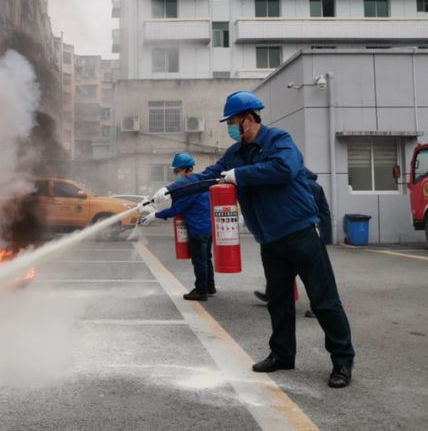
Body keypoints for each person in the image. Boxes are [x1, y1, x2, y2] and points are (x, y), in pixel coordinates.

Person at [149, 91, 355, 388]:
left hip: (300, 233)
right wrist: (170, 191)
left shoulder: (278, 140)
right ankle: (282, 354)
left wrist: (239, 176)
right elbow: (206, 177)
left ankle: (342, 361)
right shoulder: (235, 154)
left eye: (232, 120)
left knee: (324, 301)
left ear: (249, 118)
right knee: (279, 301)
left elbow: (284, 170)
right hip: (270, 240)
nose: (230, 126)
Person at [254, 168, 332, 318]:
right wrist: (325, 237)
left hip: (302, 234)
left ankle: (315, 306)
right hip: (312, 234)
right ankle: (272, 294)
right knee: (303, 271)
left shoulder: (300, 186)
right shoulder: (315, 186)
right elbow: (325, 212)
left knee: (306, 273)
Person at [142, 152, 215, 301]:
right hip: (208, 228)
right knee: (206, 258)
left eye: (177, 171)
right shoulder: (198, 184)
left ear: (187, 169)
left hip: (198, 229)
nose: (175, 174)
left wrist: (154, 215)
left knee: (199, 260)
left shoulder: (190, 189)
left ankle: (201, 291)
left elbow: (177, 209)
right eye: (174, 171)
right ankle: (209, 286)